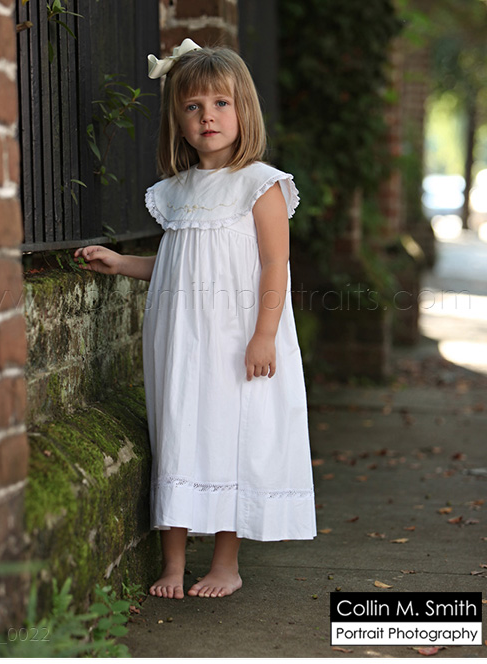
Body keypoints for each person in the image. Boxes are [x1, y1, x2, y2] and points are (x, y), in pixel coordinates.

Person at [74, 38, 316, 600]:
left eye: (221, 103)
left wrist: (264, 335)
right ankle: (174, 563)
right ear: (178, 122)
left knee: (233, 435)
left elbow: (275, 264)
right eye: (193, 106)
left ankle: (226, 564)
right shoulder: (176, 192)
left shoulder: (261, 184)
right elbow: (177, 265)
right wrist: (122, 263)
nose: (208, 116)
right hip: (182, 340)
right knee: (179, 431)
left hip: (238, 338)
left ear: (243, 109)